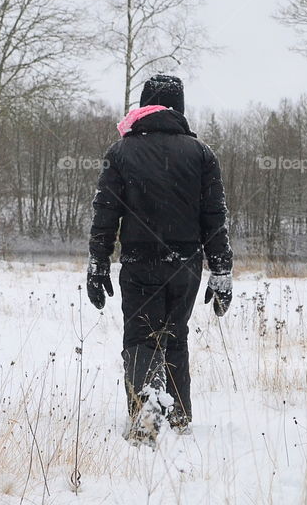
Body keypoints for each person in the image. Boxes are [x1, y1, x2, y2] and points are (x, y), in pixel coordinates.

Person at [86, 74, 233, 445]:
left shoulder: (121, 152)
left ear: (144, 104)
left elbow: (106, 212)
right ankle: (179, 414)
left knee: (141, 334)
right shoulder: (201, 154)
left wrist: (98, 261)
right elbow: (214, 217)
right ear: (179, 108)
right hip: (186, 263)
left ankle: (148, 411)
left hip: (139, 260)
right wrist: (221, 269)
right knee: (175, 334)